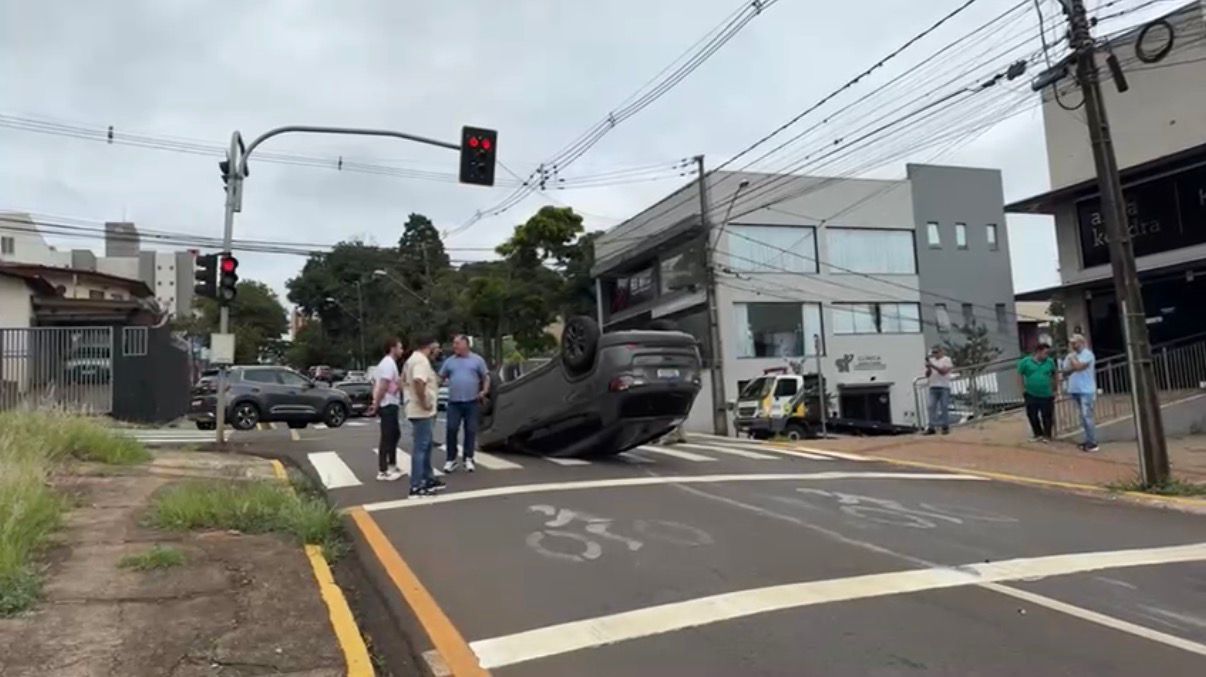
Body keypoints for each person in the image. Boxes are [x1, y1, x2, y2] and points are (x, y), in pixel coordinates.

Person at [439, 335, 490, 473]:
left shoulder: (477, 360)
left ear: (466, 344)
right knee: (451, 429)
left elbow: (485, 377)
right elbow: (440, 377)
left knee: (470, 430)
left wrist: (484, 391)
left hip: (472, 401)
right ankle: (451, 459)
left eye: (457, 343)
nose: (454, 346)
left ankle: (468, 458)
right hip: (454, 402)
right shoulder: (449, 362)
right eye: (454, 343)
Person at [403, 334, 445, 497]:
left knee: (426, 446)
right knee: (421, 447)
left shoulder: (412, 359)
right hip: (421, 410)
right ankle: (416, 485)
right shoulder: (421, 361)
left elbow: (403, 381)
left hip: (416, 408)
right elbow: (418, 382)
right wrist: (424, 402)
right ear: (430, 346)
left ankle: (427, 479)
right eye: (437, 346)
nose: (439, 350)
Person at [365, 337, 404, 482]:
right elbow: (383, 385)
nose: (402, 350)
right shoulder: (387, 363)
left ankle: (392, 465)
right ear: (392, 348)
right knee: (387, 437)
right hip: (387, 404)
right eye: (400, 347)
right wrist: (377, 403)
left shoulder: (390, 363)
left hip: (391, 403)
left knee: (394, 434)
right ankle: (383, 470)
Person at [1062, 333, 1099, 452]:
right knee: (1082, 417)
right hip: (1075, 389)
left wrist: (1073, 360)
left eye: (1074, 343)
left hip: (1086, 390)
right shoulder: (1070, 356)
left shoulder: (1087, 354)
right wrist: (1073, 364)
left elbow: (1078, 366)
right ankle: (1087, 439)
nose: (1072, 345)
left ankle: (1093, 442)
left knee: (1086, 415)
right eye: (1071, 343)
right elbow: (1065, 371)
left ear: (1081, 342)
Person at [1018, 342, 1058, 441]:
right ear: (1038, 352)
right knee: (1032, 415)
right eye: (1045, 353)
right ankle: (1038, 434)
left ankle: (1047, 435)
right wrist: (1022, 389)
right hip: (1031, 393)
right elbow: (1019, 375)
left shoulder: (1050, 362)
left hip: (1046, 394)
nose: (1047, 355)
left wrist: (1055, 389)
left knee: (1047, 415)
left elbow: (1055, 374)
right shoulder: (1025, 362)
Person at [924, 345, 954, 435]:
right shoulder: (932, 361)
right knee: (931, 406)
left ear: (941, 352)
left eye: (936, 352)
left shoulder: (946, 360)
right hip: (933, 386)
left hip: (944, 386)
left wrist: (932, 366)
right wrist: (928, 368)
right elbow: (927, 374)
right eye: (933, 352)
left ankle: (945, 426)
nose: (934, 354)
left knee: (944, 406)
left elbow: (943, 372)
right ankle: (931, 426)